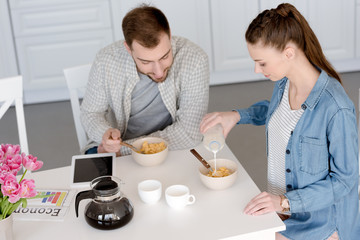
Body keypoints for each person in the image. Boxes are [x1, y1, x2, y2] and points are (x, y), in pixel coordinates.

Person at [200, 3, 359, 240]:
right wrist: (237, 115)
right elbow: (280, 115)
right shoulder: (284, 83)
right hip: (284, 212)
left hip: (321, 225)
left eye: (262, 62)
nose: (256, 70)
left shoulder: (336, 108)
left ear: (289, 53)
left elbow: (346, 180)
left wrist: (284, 202)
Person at [80, 4, 209, 156]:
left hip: (171, 147)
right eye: (146, 62)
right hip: (114, 149)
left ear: (169, 36)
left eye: (165, 56)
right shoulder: (106, 60)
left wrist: (125, 149)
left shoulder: (195, 59)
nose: (159, 71)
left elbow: (189, 132)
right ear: (128, 49)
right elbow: (90, 113)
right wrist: (106, 135)